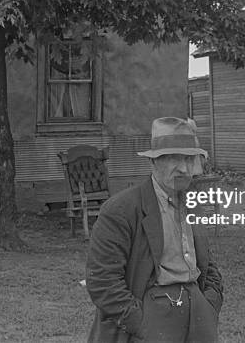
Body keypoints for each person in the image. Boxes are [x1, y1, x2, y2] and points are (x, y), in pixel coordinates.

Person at [86, 117, 223, 343]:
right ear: (153, 162)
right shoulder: (121, 209)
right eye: (173, 159)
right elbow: (103, 281)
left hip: (198, 315)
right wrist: (142, 324)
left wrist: (210, 301)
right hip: (152, 316)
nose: (183, 168)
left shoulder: (193, 204)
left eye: (189, 159)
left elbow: (208, 263)